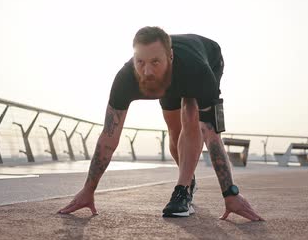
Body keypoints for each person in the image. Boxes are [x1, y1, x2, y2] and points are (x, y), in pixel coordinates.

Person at [58, 26, 263, 221]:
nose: (146, 72)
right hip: (172, 78)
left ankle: (182, 190)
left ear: (170, 57)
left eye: (155, 62)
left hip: (208, 59)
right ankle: (189, 181)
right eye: (140, 62)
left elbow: (211, 134)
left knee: (190, 111)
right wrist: (88, 190)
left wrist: (231, 194)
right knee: (174, 131)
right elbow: (109, 137)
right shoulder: (126, 79)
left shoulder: (198, 72)